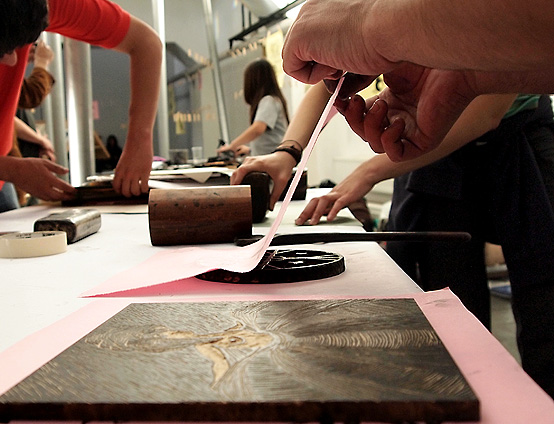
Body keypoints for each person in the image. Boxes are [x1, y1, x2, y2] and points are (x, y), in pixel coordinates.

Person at [232, 82, 554, 398]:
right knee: (450, 316)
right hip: (435, 153)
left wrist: (369, 171)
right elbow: (328, 83)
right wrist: (288, 152)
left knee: (544, 304)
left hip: (519, 132)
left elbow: (487, 111)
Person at [0, 0, 162, 229]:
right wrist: (10, 169)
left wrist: (139, 139)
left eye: (22, 45)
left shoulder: (40, 5)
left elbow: (146, 42)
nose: (14, 60)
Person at [280, 0, 554, 162]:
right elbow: (329, 81)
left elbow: (488, 115)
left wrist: (372, 24)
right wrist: (459, 76)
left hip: (507, 146)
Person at [217, 58, 289, 157]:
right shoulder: (273, 100)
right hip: (272, 158)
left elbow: (258, 129)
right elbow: (269, 139)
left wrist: (232, 146)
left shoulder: (268, 100)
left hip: (273, 161)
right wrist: (249, 150)